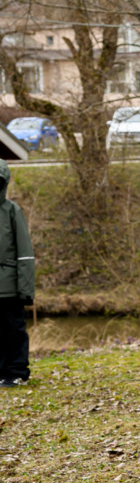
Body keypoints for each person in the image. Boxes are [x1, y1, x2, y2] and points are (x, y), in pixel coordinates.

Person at [0, 160, 34, 387]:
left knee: (14, 330)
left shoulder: (12, 211)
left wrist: (26, 289)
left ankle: (17, 372)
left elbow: (24, 253)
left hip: (10, 286)